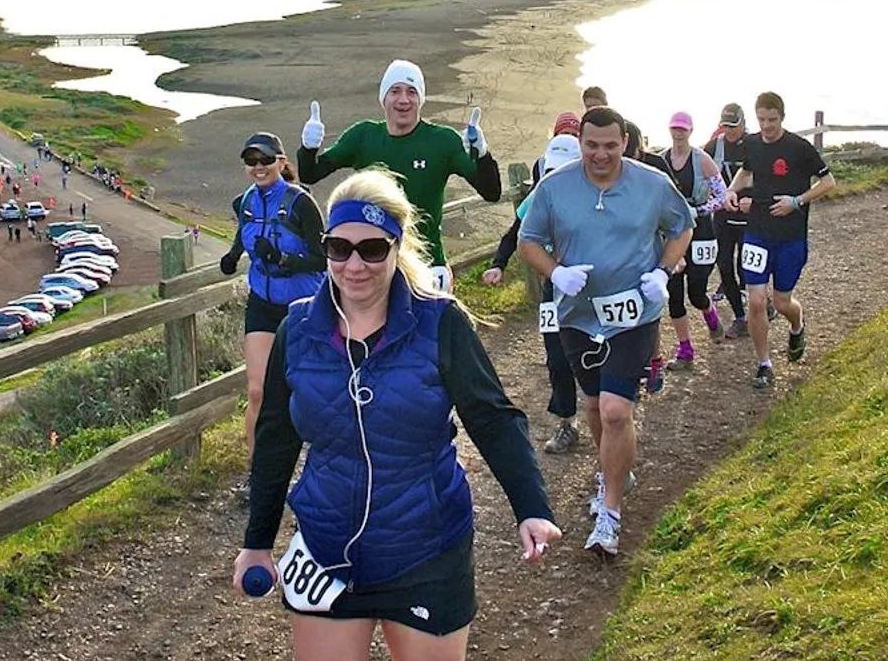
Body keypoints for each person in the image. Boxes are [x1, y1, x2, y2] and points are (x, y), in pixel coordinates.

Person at [234, 170, 558, 661]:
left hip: (423, 546)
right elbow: (276, 440)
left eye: (372, 249)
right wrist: (256, 543)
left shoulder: (439, 323)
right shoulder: (298, 331)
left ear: (396, 246)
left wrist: (531, 507)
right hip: (326, 546)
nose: (354, 265)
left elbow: (492, 417)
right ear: (325, 246)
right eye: (338, 248)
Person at [517, 106, 692, 555]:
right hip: (577, 314)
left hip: (634, 313)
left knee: (616, 410)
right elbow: (528, 241)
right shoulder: (554, 188)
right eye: (591, 146)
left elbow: (683, 225)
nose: (600, 154)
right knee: (594, 406)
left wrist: (664, 271)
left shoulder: (651, 184)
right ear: (580, 145)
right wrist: (556, 275)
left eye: (610, 146)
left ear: (625, 143)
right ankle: (615, 470)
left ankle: (610, 513)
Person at [296, 60, 502, 290]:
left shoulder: (443, 141)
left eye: (412, 92)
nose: (403, 100)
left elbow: (491, 192)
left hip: (427, 265)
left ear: (420, 100)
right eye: (395, 91)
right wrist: (308, 147)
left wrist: (482, 154)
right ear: (384, 98)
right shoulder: (363, 136)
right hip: (372, 263)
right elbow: (310, 174)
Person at [218, 132, 326, 496]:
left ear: (281, 162)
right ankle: (260, 479)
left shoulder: (301, 203)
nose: (259, 167)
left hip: (303, 306)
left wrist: (283, 259)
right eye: (252, 161)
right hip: (262, 305)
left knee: (309, 391)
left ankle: (320, 479)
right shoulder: (245, 202)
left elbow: (325, 256)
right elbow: (245, 231)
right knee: (257, 391)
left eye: (266, 160)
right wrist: (234, 256)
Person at [727, 92, 836, 388]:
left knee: (782, 301)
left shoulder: (799, 148)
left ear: (782, 117)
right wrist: (732, 190)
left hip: (790, 236)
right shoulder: (751, 143)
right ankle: (764, 364)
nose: (766, 126)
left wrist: (797, 201)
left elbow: (828, 182)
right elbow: (746, 171)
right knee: (756, 300)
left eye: (772, 120)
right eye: (761, 119)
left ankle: (797, 326)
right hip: (757, 233)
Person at [485, 130, 584, 454]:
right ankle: (567, 423)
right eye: (551, 169)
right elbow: (514, 233)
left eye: (562, 169)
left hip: (593, 289)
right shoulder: (539, 196)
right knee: (557, 358)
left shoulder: (599, 195)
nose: (555, 176)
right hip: (553, 289)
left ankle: (612, 415)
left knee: (597, 357)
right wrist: (499, 264)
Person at [645, 112, 728, 383]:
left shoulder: (701, 160)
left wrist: (698, 210)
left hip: (702, 231)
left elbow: (722, 195)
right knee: (675, 293)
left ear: (690, 131)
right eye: (674, 129)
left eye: (682, 129)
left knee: (696, 291)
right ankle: (685, 349)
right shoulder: (663, 160)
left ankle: (708, 312)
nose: (678, 133)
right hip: (673, 233)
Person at [706, 103, 754, 339]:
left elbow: (769, 179)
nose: (730, 131)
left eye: (734, 126)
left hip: (751, 217)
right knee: (724, 265)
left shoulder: (755, 145)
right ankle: (740, 317)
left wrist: (754, 199)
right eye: (725, 126)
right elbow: (699, 171)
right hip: (723, 216)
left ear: (744, 124)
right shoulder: (715, 146)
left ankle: (756, 304)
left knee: (747, 267)